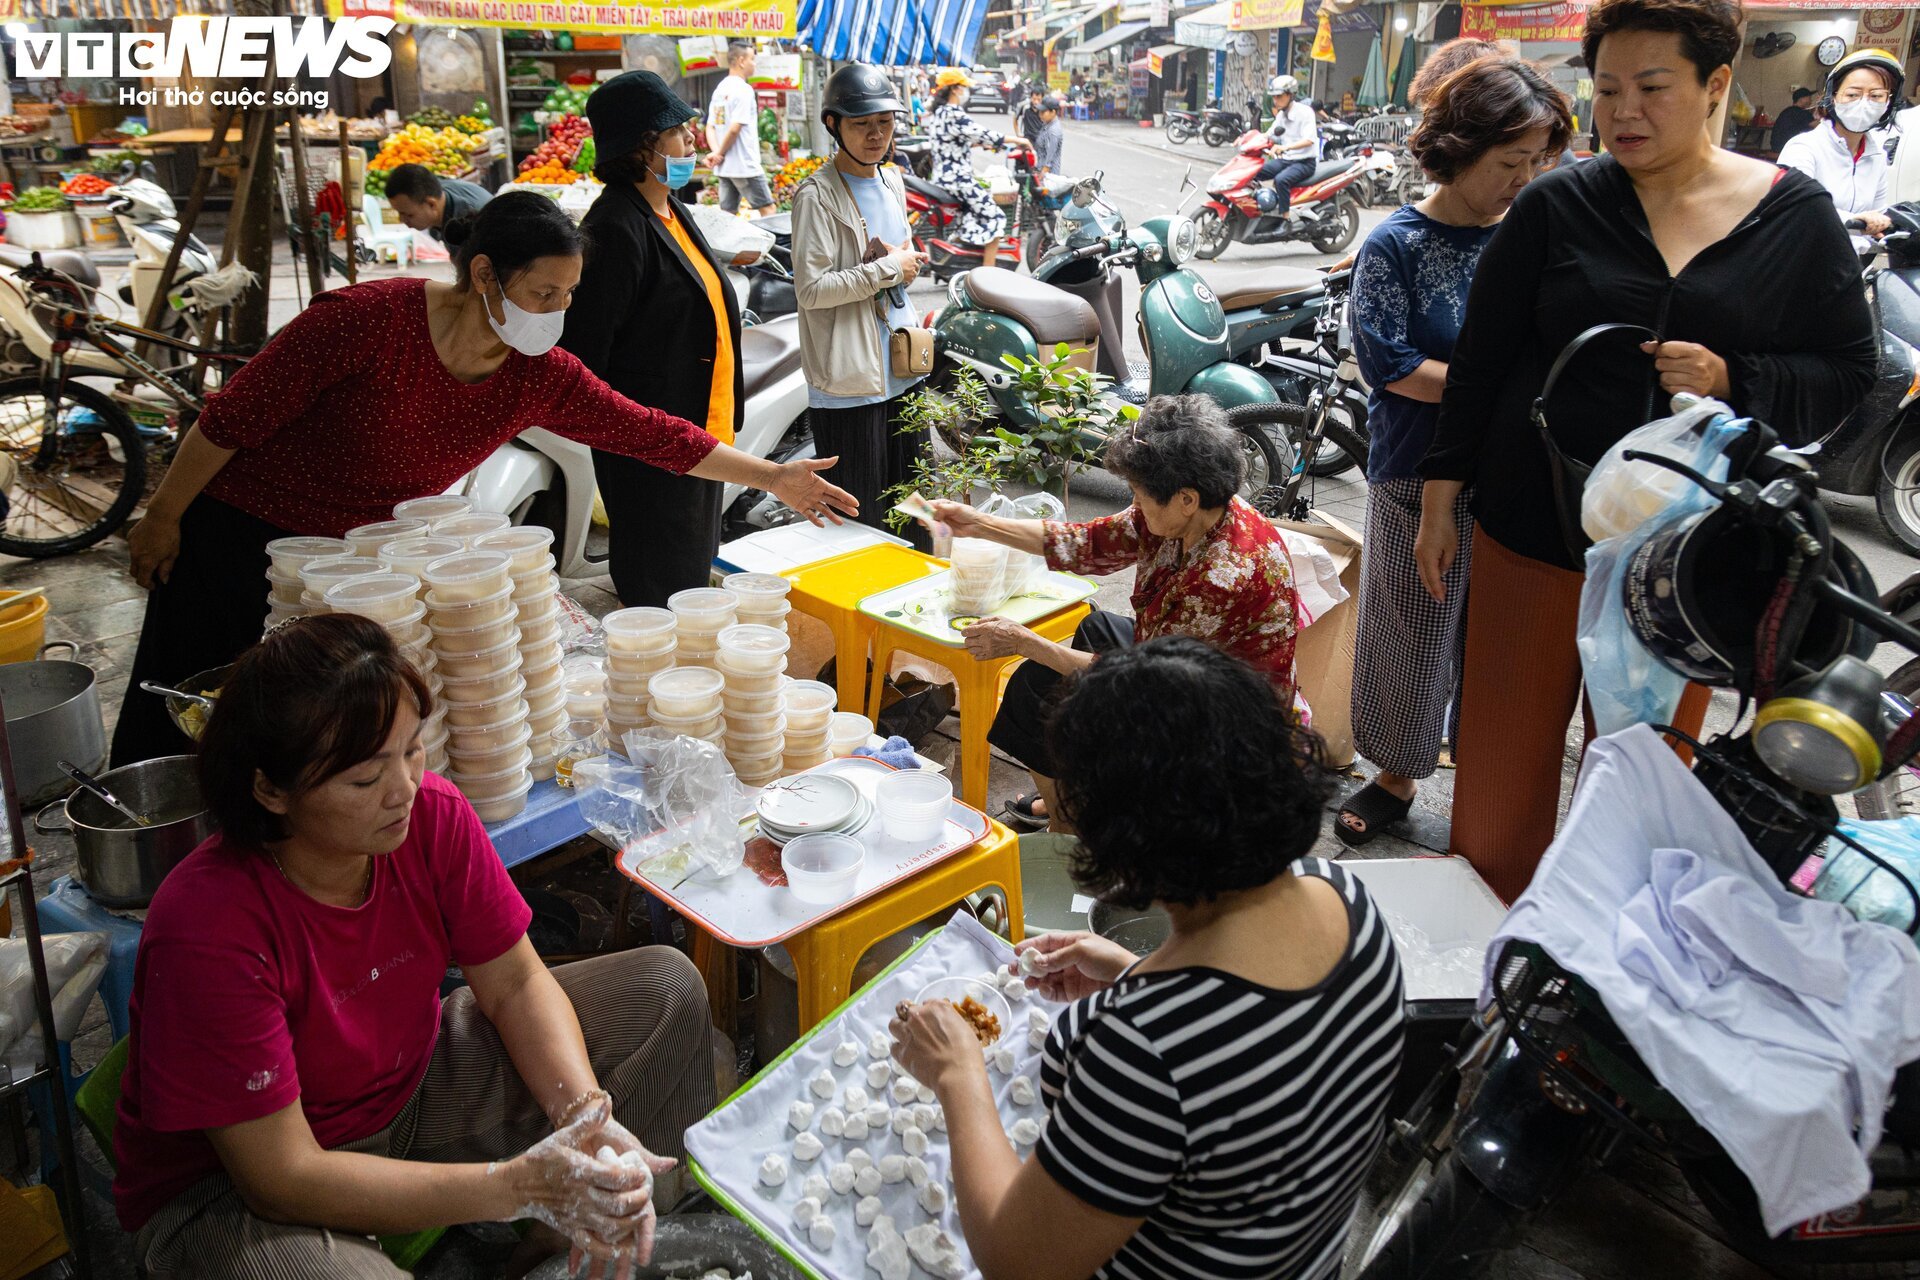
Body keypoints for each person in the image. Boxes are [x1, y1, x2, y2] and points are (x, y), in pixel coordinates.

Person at [113, 194, 856, 767]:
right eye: (543, 294)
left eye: (570, 295)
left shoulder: (537, 374)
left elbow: (650, 433)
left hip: (359, 565)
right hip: (238, 537)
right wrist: (163, 516)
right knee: (186, 714)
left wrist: (774, 477)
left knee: (297, 731)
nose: (558, 313)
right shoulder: (367, 321)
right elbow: (232, 417)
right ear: (482, 274)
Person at [1414, 0, 1877, 901]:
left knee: (1651, 783)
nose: (1622, 111)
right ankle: (1483, 962)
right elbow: (1482, 361)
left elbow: (1848, 367)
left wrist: (1734, 376)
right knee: (1501, 772)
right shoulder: (1557, 205)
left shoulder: (1793, 217)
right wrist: (1441, 503)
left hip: (1691, 566)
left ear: (1714, 86)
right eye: (1608, 89)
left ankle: (1606, 980)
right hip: (1532, 529)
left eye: (1652, 88)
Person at [116, 614, 714, 1279]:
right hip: (235, 1192)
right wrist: (517, 1184)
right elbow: (279, 1178)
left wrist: (582, 1117)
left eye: (412, 750)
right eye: (364, 780)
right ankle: (536, 1207)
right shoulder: (208, 926)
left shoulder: (432, 814)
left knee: (665, 990)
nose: (402, 790)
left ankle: (577, 1246)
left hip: (405, 1089)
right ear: (271, 790)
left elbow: (515, 985)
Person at [889, 636, 1405, 1280]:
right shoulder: (1348, 899)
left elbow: (1018, 1261)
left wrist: (957, 1074)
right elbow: (1254, 1052)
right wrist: (1139, 975)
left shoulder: (1142, 1049)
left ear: (1117, 845)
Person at [1340, 58, 1574, 848]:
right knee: (1410, 628)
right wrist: (1495, 391)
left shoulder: (1531, 236)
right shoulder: (1395, 245)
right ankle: (1396, 775)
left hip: (1512, 474)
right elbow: (1392, 366)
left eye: (1539, 162)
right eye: (1511, 162)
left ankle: (1485, 782)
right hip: (1413, 466)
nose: (1526, 178)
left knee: (1496, 643)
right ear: (1458, 148)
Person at [931, 396, 1304, 832]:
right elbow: (1087, 543)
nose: (1136, 504)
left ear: (1186, 498)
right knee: (1094, 627)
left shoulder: (1221, 576)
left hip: (1219, 710)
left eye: (1142, 497)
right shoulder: (1195, 511)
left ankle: (1071, 825)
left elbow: (1151, 678)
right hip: (1180, 661)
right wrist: (978, 524)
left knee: (1037, 688)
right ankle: (1069, 798)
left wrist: (1022, 641)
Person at [562, 71, 743, 609]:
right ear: (643, 147)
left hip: (699, 429)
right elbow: (587, 352)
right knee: (662, 584)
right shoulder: (616, 226)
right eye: (679, 132)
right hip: (651, 444)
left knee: (692, 563)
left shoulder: (670, 209)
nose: (692, 141)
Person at [791, 64, 932, 548]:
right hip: (852, 386)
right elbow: (811, 290)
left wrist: (904, 263)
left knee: (916, 508)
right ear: (833, 125)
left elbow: (899, 253)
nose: (876, 135)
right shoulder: (816, 195)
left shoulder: (892, 181)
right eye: (861, 124)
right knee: (861, 518)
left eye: (885, 123)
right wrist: (889, 269)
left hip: (902, 368)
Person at [1778, 49, 1903, 254]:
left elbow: (1878, 215)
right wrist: (1852, 220)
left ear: (1889, 103)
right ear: (1832, 97)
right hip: (1801, 264)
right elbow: (1793, 208)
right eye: (1853, 94)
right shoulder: (1804, 148)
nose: (1864, 103)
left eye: (1876, 96)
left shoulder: (1876, 157)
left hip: (1850, 268)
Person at [927, 68, 1011, 267]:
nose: (967, 91)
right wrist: (1020, 140)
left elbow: (953, 141)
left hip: (944, 177)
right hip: (957, 179)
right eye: (964, 87)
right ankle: (988, 278)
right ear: (955, 89)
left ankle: (960, 263)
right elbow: (982, 132)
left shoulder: (939, 112)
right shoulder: (953, 112)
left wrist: (980, 144)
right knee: (996, 217)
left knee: (972, 218)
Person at [704, 42, 776, 217]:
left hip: (724, 167)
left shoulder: (720, 89)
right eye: (752, 59)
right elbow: (735, 128)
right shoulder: (743, 90)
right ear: (741, 60)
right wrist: (719, 153)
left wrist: (716, 153)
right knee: (769, 211)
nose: (754, 64)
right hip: (744, 165)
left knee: (726, 215)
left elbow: (710, 126)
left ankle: (723, 246)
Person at [381, 163, 491, 242]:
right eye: (399, 213)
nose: (402, 220)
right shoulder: (437, 191)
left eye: (409, 215)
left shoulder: (469, 220)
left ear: (431, 204)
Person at [1258, 73, 1320, 210]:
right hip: (1286, 160)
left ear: (1290, 95)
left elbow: (1309, 140)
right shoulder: (1281, 115)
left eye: (1279, 96)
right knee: (1255, 172)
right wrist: (1249, 140)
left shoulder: (1305, 112)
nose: (1275, 100)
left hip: (1305, 162)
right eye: (1274, 97)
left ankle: (1284, 218)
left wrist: (1284, 147)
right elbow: (1269, 135)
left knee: (1281, 180)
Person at [1770, 85, 1817, 151]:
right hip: (1790, 149)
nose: (1811, 100)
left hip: (1777, 147)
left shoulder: (1787, 111)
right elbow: (1817, 125)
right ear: (1801, 99)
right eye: (1809, 98)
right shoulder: (1801, 112)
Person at [1030, 96, 1065, 180]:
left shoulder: (1053, 131)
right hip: (1040, 169)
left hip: (1048, 176)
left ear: (1053, 112)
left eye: (1043, 112)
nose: (1040, 114)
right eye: (1040, 111)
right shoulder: (1047, 124)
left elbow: (1049, 160)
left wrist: (1041, 177)